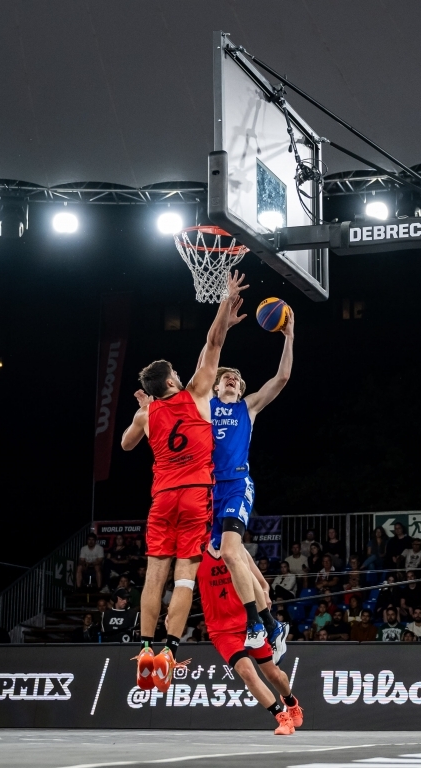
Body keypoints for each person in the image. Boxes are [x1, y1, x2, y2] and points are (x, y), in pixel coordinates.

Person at [121, 270, 248, 690]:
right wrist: (225, 307)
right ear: (173, 381)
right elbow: (213, 345)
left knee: (153, 575)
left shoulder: (147, 412)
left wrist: (143, 409)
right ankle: (169, 651)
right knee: (184, 578)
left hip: (161, 499)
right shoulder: (194, 393)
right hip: (196, 495)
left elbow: (124, 445)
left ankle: (143, 646)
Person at [206, 296, 296, 657]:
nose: (231, 380)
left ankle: (256, 624)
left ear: (241, 390)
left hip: (237, 485)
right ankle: (273, 625)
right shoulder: (202, 406)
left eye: (237, 379)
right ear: (215, 386)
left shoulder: (248, 407)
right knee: (231, 556)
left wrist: (289, 336)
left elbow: (283, 377)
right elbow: (209, 352)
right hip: (208, 493)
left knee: (229, 551)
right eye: (226, 377)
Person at [196, 542, 303, 735]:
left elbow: (262, 583)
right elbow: (184, 585)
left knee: (274, 675)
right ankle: (282, 718)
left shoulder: (235, 547)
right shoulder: (197, 552)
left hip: (249, 625)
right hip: (221, 630)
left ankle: (290, 701)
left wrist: (264, 597)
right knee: (246, 672)